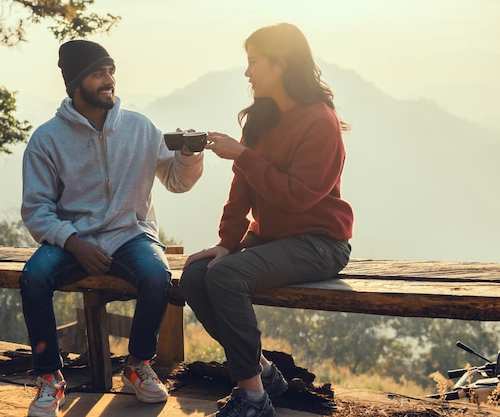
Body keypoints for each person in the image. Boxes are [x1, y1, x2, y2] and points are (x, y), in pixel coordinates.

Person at [19, 39, 204, 417]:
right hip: (72, 238)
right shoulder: (46, 139)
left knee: (157, 277)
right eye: (98, 73)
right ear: (75, 82)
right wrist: (73, 243)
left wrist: (188, 156)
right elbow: (36, 210)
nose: (109, 80)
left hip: (130, 233)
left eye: (111, 72)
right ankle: (49, 376)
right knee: (33, 278)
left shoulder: (140, 127)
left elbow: (177, 182)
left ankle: (136, 364)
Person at [180, 23, 354, 417]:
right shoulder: (260, 118)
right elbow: (241, 192)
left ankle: (253, 397)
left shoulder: (320, 122)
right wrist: (225, 243)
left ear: (281, 64)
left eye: (254, 63)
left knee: (225, 277)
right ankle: (261, 373)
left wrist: (242, 155)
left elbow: (298, 197)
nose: (247, 73)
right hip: (271, 239)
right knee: (194, 274)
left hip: (320, 242)